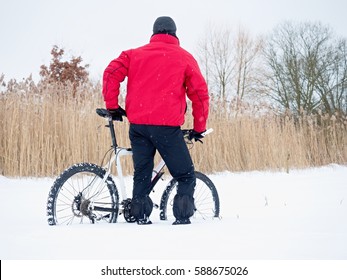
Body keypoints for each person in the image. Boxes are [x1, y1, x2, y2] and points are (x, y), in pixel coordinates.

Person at [102, 16, 209, 225]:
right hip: (167, 128)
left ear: (154, 34)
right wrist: (199, 128)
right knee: (185, 175)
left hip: (139, 126)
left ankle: (140, 215)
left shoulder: (134, 54)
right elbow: (200, 95)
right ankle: (182, 218)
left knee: (142, 173)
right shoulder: (184, 57)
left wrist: (112, 106)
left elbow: (111, 73)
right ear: (175, 34)